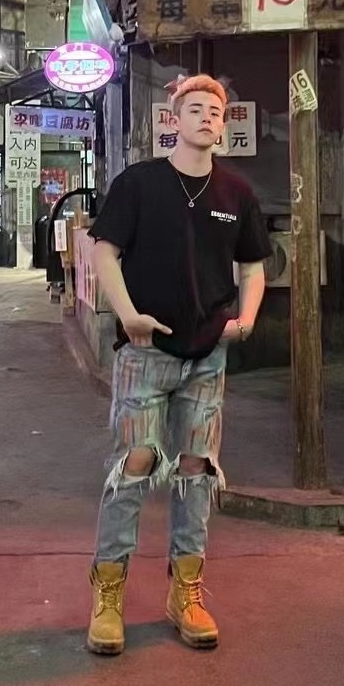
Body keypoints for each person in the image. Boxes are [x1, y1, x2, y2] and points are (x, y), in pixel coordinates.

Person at [86, 73, 271, 655]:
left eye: (215, 111)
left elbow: (253, 268)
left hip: (208, 353)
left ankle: (185, 593)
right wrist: (128, 315)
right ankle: (108, 596)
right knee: (135, 462)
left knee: (196, 468)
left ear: (224, 124)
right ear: (174, 120)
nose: (206, 117)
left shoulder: (236, 193)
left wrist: (246, 319)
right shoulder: (139, 183)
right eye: (195, 109)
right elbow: (103, 251)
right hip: (144, 352)